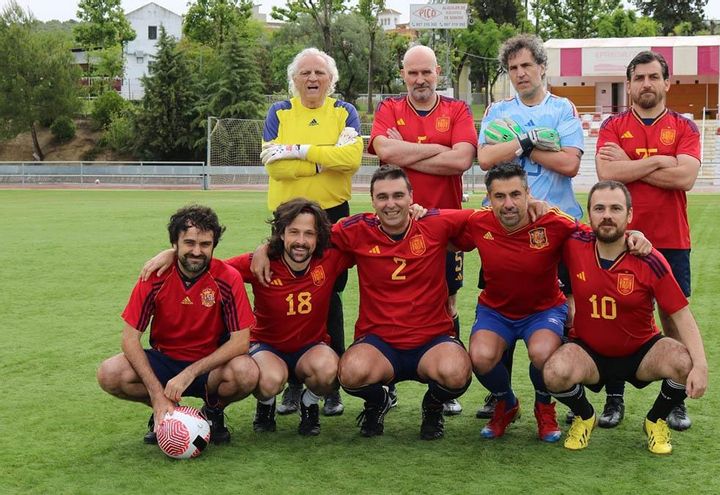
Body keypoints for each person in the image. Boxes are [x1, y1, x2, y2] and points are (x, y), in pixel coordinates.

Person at [457, 163, 652, 443]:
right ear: (489, 198)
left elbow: (596, 235)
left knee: (543, 353)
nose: (508, 204)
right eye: (500, 196)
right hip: (496, 310)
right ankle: (506, 403)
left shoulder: (553, 221)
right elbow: (435, 224)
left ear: (528, 193)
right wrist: (417, 211)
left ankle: (543, 406)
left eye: (516, 194)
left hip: (543, 310)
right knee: (480, 356)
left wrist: (634, 235)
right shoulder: (477, 221)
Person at [141, 199, 352, 436]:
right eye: (294, 232)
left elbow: (360, 249)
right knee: (269, 380)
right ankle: (266, 405)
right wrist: (173, 253)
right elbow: (210, 268)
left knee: (329, 370)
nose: (301, 241)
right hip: (267, 346)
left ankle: (309, 403)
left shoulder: (329, 259)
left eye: (309, 233)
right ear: (281, 233)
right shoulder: (259, 262)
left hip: (311, 346)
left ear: (318, 236)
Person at [544, 180, 708, 454]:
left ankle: (655, 420)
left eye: (616, 208)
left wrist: (701, 366)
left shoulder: (649, 259)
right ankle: (585, 416)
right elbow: (544, 215)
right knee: (553, 372)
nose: (607, 215)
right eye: (599, 208)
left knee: (685, 361)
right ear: (589, 213)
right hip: (590, 352)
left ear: (629, 215)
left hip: (641, 352)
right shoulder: (573, 243)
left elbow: (681, 314)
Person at [475, 33, 585, 419]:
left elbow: (569, 163)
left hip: (556, 231)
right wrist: (528, 141)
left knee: (566, 313)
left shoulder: (562, 108)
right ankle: (501, 396)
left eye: (526, 65)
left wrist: (520, 146)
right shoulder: (498, 111)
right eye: (513, 68)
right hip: (505, 231)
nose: (520, 73)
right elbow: (485, 158)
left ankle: (561, 391)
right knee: (500, 307)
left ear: (541, 67)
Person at [368, 45, 478, 416]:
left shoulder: (457, 109)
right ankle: (386, 383)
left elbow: (462, 160)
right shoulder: (389, 108)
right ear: (403, 74)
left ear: (438, 72)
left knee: (448, 303)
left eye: (426, 72)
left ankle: (445, 388)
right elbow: (385, 152)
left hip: (444, 228)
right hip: (394, 226)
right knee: (390, 302)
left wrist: (407, 151)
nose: (420, 79)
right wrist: (439, 150)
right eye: (413, 73)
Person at [595, 50, 701, 431]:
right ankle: (614, 396)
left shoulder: (685, 127)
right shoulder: (613, 126)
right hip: (620, 239)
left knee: (673, 319)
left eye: (653, 77)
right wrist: (660, 160)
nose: (646, 84)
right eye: (639, 78)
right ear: (629, 85)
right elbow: (607, 172)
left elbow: (685, 178)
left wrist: (631, 164)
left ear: (666, 82)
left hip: (671, 239)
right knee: (616, 317)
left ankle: (675, 401)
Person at [332, 166, 474, 440]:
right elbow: (310, 235)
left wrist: (532, 206)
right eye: (382, 197)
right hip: (379, 343)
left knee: (457, 372)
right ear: (372, 201)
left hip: (432, 341)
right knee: (350, 373)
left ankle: (432, 406)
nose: (391, 204)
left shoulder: (434, 222)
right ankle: (378, 402)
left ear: (411, 197)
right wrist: (269, 248)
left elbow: (486, 219)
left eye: (398, 195)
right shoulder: (356, 229)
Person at [97, 205, 258, 445]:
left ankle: (212, 411)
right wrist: (156, 394)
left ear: (214, 246)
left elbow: (241, 342)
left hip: (210, 366)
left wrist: (190, 373)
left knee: (247, 373)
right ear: (175, 243)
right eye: (189, 243)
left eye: (205, 244)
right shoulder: (154, 276)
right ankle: (165, 410)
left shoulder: (227, 278)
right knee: (109, 373)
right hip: (164, 362)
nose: (197, 251)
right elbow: (129, 339)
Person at [260, 47, 364, 417]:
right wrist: (322, 162)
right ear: (294, 79)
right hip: (287, 216)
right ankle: (293, 383)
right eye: (305, 73)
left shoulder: (344, 112)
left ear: (331, 79)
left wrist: (300, 151)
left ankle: (330, 385)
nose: (312, 78)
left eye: (319, 72)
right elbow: (275, 167)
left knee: (329, 294)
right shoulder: (279, 112)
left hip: (332, 215)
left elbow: (351, 159)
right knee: (284, 293)